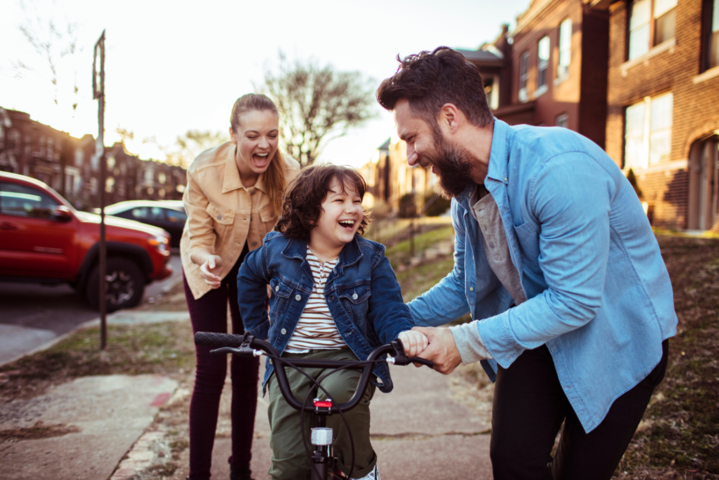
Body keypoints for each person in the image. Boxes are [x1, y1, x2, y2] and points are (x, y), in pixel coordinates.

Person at [376, 47, 678, 480]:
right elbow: (466, 282)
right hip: (538, 330)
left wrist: (462, 342)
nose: (408, 156)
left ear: (449, 118)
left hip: (616, 337)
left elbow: (574, 301)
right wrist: (391, 322)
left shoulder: (557, 169)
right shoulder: (466, 190)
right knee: (513, 461)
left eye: (411, 138)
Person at [237, 165, 428, 480]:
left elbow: (388, 307)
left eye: (356, 200)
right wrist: (257, 334)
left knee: (339, 398)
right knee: (288, 466)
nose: (352, 208)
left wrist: (403, 335)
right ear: (311, 214)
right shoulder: (278, 250)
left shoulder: (371, 258)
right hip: (289, 359)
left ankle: (361, 470)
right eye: (339, 200)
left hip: (346, 359)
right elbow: (248, 275)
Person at [180, 93, 300, 480]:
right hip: (208, 266)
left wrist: (277, 279)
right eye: (252, 135)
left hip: (254, 276)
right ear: (232, 135)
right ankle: (199, 473)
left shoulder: (289, 174)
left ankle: (241, 471)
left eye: (272, 135)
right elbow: (198, 237)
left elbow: (291, 237)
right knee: (211, 370)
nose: (263, 144)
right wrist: (206, 261)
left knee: (248, 368)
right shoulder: (204, 170)